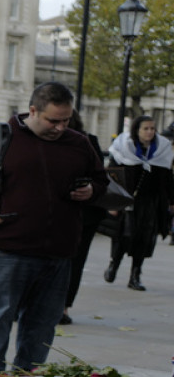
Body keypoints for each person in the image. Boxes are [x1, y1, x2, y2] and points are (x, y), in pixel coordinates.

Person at [0, 82, 105, 374]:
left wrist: (91, 190)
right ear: (32, 110)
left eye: (66, 120)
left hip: (59, 251)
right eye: (53, 120)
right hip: (8, 247)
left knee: (43, 323)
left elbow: (101, 180)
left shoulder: (78, 143)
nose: (60, 127)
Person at [103, 115, 174, 291]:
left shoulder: (162, 149)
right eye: (146, 128)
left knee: (144, 238)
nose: (150, 132)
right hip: (127, 199)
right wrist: (112, 203)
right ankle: (114, 264)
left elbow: (167, 178)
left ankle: (135, 275)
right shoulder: (123, 147)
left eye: (152, 128)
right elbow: (113, 175)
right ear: (137, 130)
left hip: (150, 201)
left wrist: (172, 201)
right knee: (125, 234)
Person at [62, 111, 109, 324]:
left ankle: (62, 307)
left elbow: (101, 179)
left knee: (75, 260)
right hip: (53, 212)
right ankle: (60, 307)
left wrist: (90, 188)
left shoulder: (87, 142)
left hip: (83, 213)